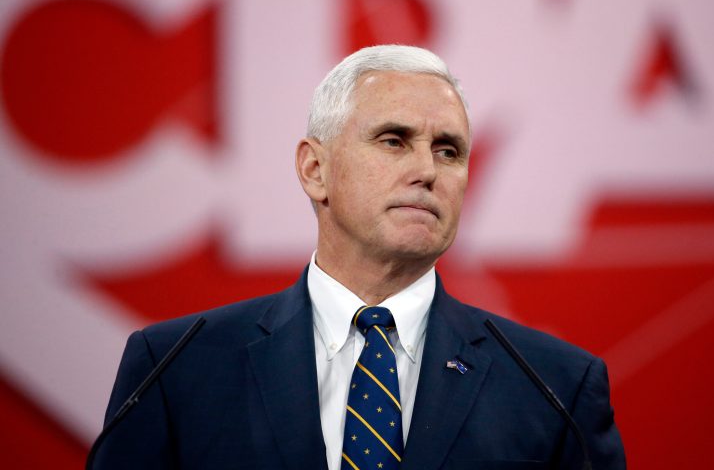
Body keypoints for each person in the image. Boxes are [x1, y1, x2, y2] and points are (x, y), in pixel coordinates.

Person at [94, 45, 626, 469]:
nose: (427, 171)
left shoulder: (556, 387)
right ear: (314, 170)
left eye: (449, 151)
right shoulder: (175, 368)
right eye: (394, 140)